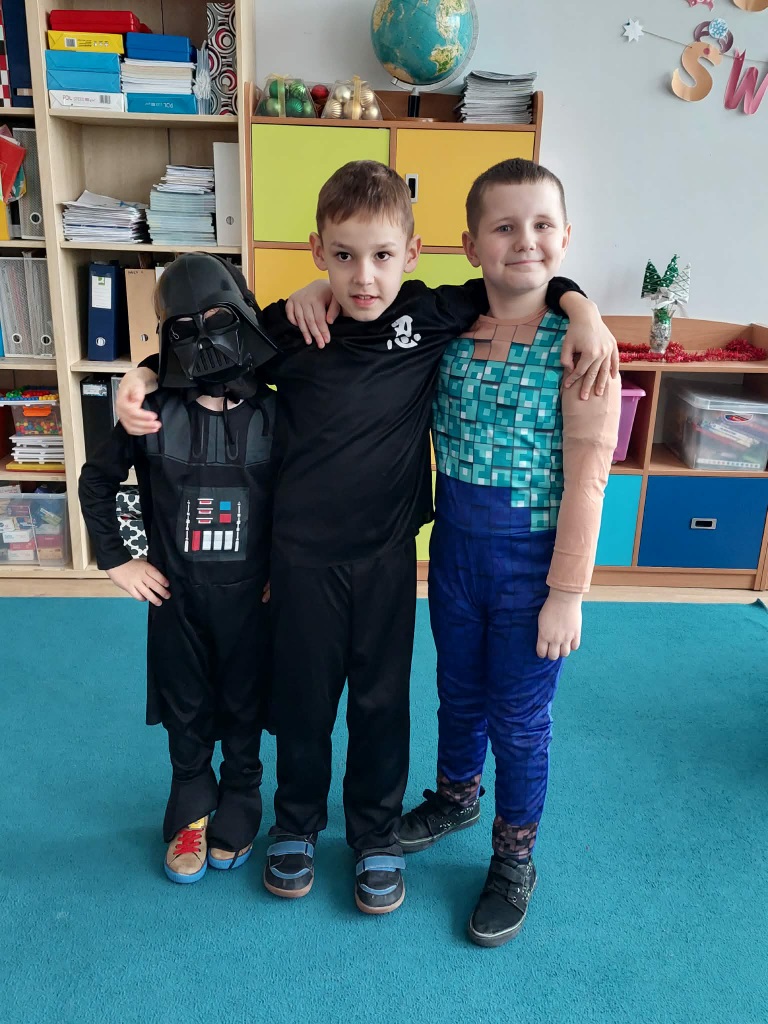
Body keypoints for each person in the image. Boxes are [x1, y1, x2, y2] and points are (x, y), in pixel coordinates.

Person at [115, 160, 617, 914]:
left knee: (382, 705)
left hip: (387, 560)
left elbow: (520, 278)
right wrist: (144, 373)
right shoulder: (294, 327)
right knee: (305, 702)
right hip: (300, 563)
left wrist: (583, 308)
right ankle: (296, 823)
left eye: (383, 255)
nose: (364, 277)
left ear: (411, 254)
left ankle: (376, 834)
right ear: (318, 251)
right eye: (344, 257)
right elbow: (210, 351)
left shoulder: (432, 313)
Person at [393, 158, 621, 946]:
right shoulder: (445, 329)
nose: (526, 240)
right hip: (454, 551)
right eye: (504, 227)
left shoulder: (582, 346)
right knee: (457, 693)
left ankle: (515, 854)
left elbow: (589, 477)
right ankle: (457, 796)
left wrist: (569, 592)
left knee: (519, 719)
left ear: (566, 236)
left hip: (534, 564)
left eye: (542, 225)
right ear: (471, 245)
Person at [79, 254, 278, 884]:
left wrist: (287, 570)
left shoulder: (276, 413)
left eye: (218, 321)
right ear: (167, 336)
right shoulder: (151, 411)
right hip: (178, 597)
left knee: (245, 700)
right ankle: (192, 795)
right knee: (185, 703)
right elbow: (96, 481)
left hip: (253, 597)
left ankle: (242, 791)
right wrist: (118, 560)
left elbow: (305, 498)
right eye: (186, 329)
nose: (206, 341)